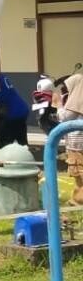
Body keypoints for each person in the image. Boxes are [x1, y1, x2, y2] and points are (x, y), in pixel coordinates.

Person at [58, 71, 83, 206]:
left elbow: (65, 118)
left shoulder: (77, 101)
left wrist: (58, 105)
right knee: (78, 175)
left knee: (78, 172)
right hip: (77, 144)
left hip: (78, 145)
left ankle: (77, 201)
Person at [0, 71, 30, 147]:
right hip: (21, 109)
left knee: (4, 143)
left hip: (11, 113)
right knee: (22, 141)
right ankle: (27, 156)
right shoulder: (1, 76)